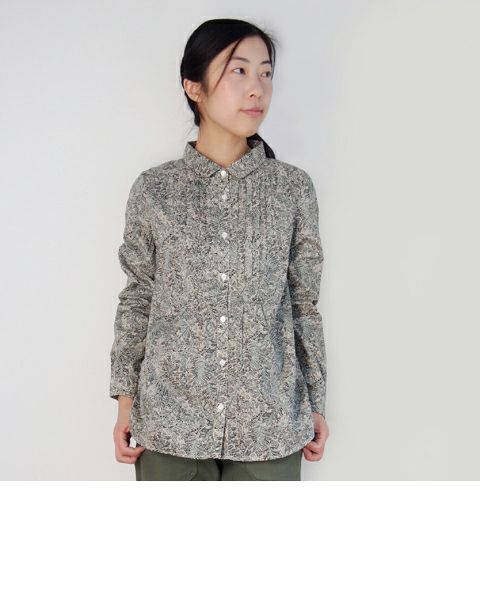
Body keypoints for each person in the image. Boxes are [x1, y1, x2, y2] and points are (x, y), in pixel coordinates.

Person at [109, 18, 330, 480]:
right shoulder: (155, 190)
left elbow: (302, 303)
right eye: (239, 71)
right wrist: (125, 400)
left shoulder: (292, 189)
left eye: (265, 73)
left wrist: (316, 400)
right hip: (170, 424)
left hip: (270, 425)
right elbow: (138, 297)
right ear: (194, 87)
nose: (257, 89)